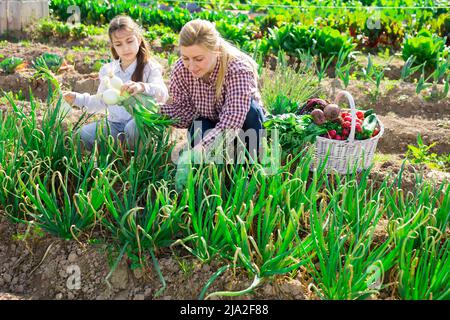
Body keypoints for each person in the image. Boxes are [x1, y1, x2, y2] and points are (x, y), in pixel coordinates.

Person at [160, 19, 267, 164]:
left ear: (215, 51)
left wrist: (203, 147)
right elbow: (186, 112)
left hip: (244, 127)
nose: (191, 66)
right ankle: (214, 171)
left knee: (252, 111)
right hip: (211, 124)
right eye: (186, 58)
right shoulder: (181, 69)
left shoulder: (237, 68)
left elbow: (233, 120)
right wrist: (156, 111)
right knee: (198, 125)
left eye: (198, 59)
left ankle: (250, 167)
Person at [63, 15, 168, 151]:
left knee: (132, 127)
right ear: (113, 46)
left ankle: (140, 162)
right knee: (82, 135)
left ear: (139, 39)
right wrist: (77, 99)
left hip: (141, 126)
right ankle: (116, 156)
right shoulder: (108, 71)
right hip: (115, 125)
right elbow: (101, 101)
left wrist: (141, 87)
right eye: (119, 44)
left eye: (129, 41)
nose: (125, 48)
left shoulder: (150, 67)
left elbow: (162, 93)